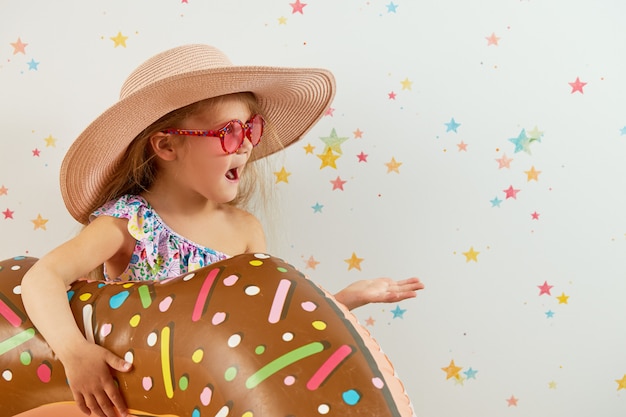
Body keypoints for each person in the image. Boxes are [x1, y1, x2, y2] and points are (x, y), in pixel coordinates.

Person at [21, 44, 425, 417]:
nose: (246, 145)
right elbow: (42, 279)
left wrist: (343, 301)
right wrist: (75, 354)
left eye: (251, 129)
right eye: (229, 132)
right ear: (166, 146)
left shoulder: (245, 230)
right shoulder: (130, 224)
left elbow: (266, 334)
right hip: (144, 405)